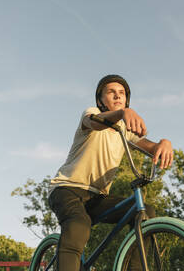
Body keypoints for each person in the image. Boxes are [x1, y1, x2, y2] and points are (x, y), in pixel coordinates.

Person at [48, 74, 173, 271]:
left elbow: (151, 147)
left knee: (144, 212)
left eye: (122, 93)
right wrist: (123, 112)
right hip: (67, 189)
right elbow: (96, 122)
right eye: (111, 92)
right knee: (78, 225)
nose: (117, 96)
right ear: (100, 100)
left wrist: (164, 143)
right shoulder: (91, 114)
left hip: (97, 197)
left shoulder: (125, 130)